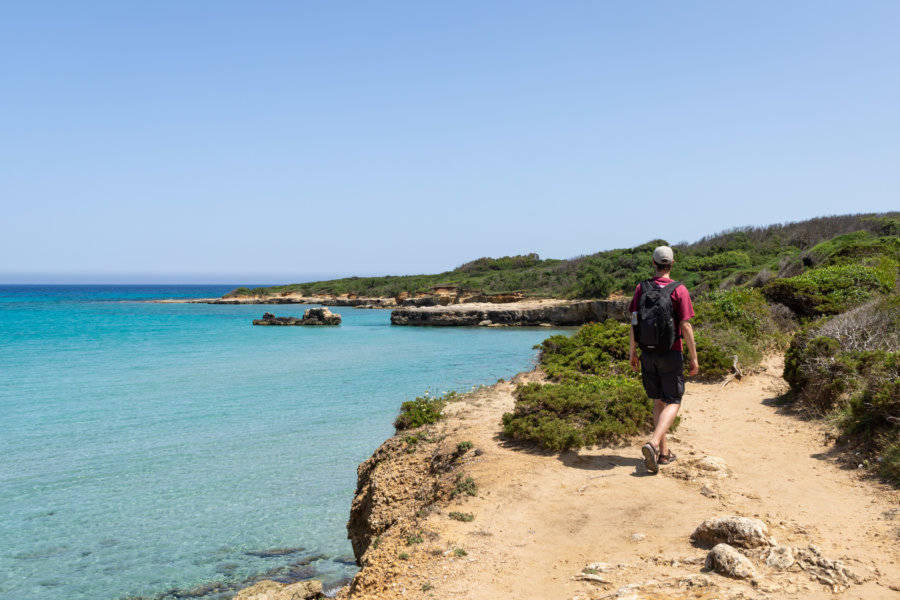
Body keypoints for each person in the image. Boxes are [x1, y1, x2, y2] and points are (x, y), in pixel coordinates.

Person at [628, 245, 699, 473]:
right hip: (670, 352)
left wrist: (632, 352)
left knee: (658, 401)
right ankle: (654, 443)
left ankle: (664, 455)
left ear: (653, 263)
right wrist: (694, 358)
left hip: (647, 353)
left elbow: (634, 322)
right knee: (674, 400)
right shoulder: (680, 290)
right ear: (672, 264)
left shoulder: (642, 288)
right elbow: (685, 325)